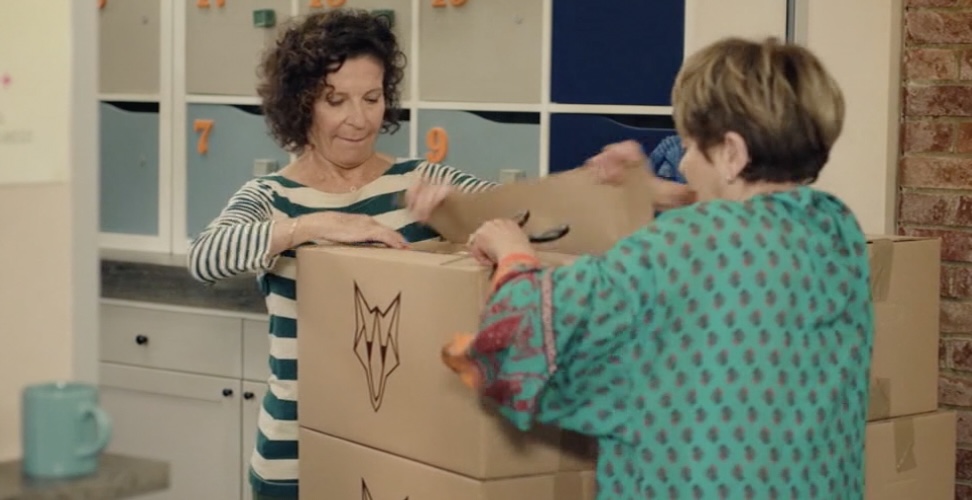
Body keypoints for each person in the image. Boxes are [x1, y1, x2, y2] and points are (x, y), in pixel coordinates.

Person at [443, 36, 872, 499]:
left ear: (732, 153)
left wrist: (512, 252)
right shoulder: (837, 231)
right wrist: (646, 192)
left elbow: (519, 338)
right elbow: (734, 266)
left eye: (689, 147)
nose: (684, 164)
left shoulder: (676, 248)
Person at [186, 10, 496, 499]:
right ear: (301, 105)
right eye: (336, 101)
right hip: (292, 458)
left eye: (372, 98)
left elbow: (530, 227)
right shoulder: (271, 196)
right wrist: (310, 227)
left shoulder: (421, 181)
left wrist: (464, 215)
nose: (360, 119)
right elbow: (205, 257)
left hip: (405, 451)